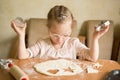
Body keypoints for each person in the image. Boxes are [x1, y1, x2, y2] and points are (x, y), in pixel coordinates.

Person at [11, 5, 109, 61]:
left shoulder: (73, 43)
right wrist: (21, 35)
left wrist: (95, 38)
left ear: (71, 28)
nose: (60, 39)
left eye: (66, 35)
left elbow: (92, 57)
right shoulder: (42, 44)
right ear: (48, 28)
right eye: (55, 35)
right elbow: (22, 56)